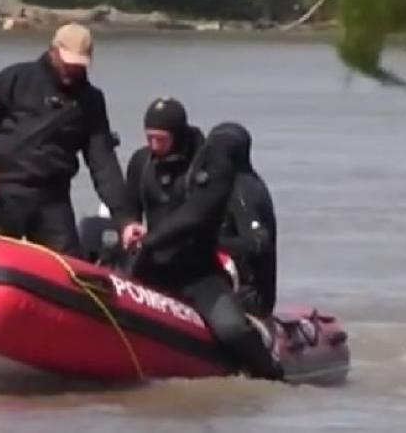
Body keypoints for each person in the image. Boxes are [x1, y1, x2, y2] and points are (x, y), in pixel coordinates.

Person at [121, 121, 285, 381]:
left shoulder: (243, 189)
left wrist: (210, 240)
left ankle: (267, 369)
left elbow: (258, 243)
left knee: (231, 328)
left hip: (243, 289)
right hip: (170, 268)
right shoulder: (199, 179)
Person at [0, 22, 126, 257]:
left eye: (78, 66)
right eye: (68, 64)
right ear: (53, 51)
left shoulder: (91, 101)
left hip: (52, 199)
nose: (72, 72)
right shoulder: (16, 79)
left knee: (69, 270)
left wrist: (125, 217)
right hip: (3, 192)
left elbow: (103, 162)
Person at [109, 97, 205, 270]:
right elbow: (129, 206)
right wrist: (128, 225)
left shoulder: (200, 165)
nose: (154, 145)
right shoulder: (141, 162)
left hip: (192, 257)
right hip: (151, 251)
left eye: (161, 139)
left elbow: (201, 214)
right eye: (150, 138)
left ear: (177, 136)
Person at [213, 122, 278, 318]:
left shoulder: (244, 191)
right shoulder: (225, 184)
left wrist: (211, 244)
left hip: (252, 296)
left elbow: (259, 242)